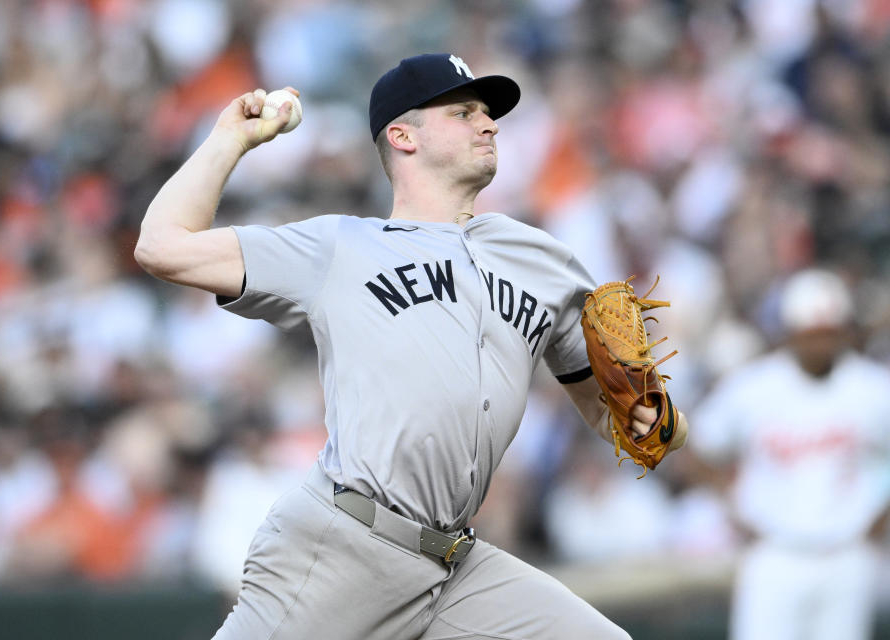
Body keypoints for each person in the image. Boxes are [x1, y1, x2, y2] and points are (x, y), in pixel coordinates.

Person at [135, 53, 687, 640]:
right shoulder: (339, 246)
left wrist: (654, 417)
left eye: (488, 114)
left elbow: (622, 419)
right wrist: (229, 140)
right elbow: (162, 246)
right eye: (463, 112)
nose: (489, 124)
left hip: (453, 568)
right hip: (343, 550)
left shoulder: (542, 260)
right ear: (402, 135)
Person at [691, 268, 890, 640]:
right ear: (790, 335)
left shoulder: (871, 386)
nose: (820, 345)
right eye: (811, 335)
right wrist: (728, 499)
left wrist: (883, 517)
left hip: (848, 553)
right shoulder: (755, 386)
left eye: (828, 334)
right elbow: (693, 443)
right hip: (774, 554)